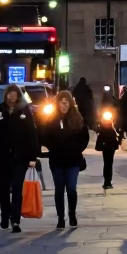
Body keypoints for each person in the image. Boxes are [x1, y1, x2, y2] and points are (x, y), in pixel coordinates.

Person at [0, 84, 39, 232]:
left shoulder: (24, 111)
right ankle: (5, 216)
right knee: (4, 189)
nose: (11, 96)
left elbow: (31, 134)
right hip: (3, 157)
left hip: (20, 157)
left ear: (18, 95)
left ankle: (15, 220)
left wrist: (32, 156)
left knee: (17, 188)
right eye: (8, 93)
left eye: (13, 93)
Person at [42, 90, 90, 228]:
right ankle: (60, 217)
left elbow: (84, 137)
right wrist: (52, 146)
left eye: (66, 103)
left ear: (70, 104)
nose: (63, 106)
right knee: (59, 189)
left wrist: (77, 149)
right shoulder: (51, 119)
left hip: (73, 160)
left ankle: (72, 213)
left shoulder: (77, 118)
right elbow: (44, 136)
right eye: (61, 103)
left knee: (71, 188)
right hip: (57, 159)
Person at [95, 105, 120, 189]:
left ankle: (107, 181)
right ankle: (107, 181)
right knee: (108, 162)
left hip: (108, 143)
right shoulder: (105, 127)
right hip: (108, 143)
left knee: (108, 162)